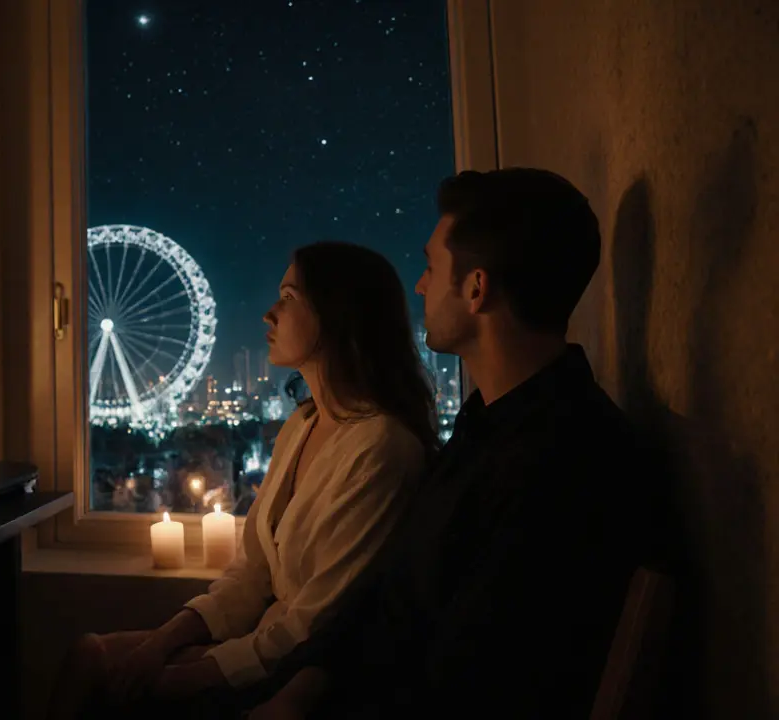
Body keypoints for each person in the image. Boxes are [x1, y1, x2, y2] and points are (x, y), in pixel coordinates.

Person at [252, 168, 655, 719]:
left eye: (431, 266)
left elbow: (469, 679)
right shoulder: (488, 424)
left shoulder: (565, 463)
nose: (419, 285)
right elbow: (389, 591)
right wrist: (303, 686)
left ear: (476, 288)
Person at [46, 242, 440, 719]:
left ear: (338, 314)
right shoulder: (301, 427)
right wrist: (161, 642)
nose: (268, 315)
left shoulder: (381, 449)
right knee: (89, 652)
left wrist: (184, 676)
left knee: (98, 672)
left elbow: (316, 623)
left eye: (289, 298)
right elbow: (251, 572)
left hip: (291, 670)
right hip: (257, 642)